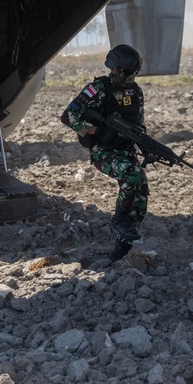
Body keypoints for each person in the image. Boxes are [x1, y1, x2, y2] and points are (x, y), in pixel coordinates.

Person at [64, 44, 148, 261]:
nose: (130, 77)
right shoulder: (99, 89)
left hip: (126, 150)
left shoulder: (136, 92)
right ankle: (118, 220)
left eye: (133, 73)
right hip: (103, 151)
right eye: (126, 73)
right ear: (116, 69)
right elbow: (69, 116)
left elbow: (139, 126)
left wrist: (146, 147)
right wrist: (96, 130)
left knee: (139, 195)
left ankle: (123, 250)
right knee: (132, 175)